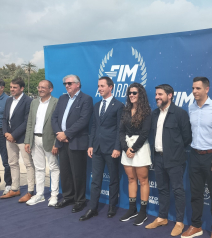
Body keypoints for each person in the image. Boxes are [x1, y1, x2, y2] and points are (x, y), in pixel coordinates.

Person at [145, 84, 191, 237]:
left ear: (170, 95)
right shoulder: (155, 114)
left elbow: (187, 138)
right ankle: (162, 217)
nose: (157, 97)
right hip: (158, 158)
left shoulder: (180, 113)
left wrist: (173, 151)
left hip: (175, 159)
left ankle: (179, 222)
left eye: (160, 94)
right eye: (156, 94)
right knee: (162, 189)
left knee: (178, 190)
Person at [182, 77, 212, 238]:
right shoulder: (191, 107)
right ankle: (196, 225)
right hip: (195, 155)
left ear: (207, 89)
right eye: (193, 88)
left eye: (198, 88)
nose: (194, 91)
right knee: (195, 193)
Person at [79, 77, 124, 221]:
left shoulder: (118, 106)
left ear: (111, 87)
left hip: (112, 149)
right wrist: (91, 145)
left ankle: (112, 206)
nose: (99, 88)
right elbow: (94, 126)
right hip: (97, 148)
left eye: (102, 86)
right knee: (95, 180)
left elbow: (119, 130)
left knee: (113, 179)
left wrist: (117, 147)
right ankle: (93, 208)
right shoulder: (97, 105)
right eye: (98, 86)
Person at [51, 74, 93, 213]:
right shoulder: (62, 98)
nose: (67, 86)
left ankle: (79, 200)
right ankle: (68, 197)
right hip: (62, 141)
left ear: (78, 84)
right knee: (65, 172)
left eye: (69, 83)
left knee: (78, 173)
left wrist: (67, 134)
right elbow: (55, 117)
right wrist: (59, 134)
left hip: (77, 142)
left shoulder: (86, 99)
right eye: (65, 84)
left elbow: (83, 120)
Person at [118, 83, 152, 226]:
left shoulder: (146, 112)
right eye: (129, 93)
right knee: (131, 178)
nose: (131, 95)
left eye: (134, 93)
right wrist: (126, 148)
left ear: (140, 95)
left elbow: (145, 133)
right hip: (127, 148)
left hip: (141, 147)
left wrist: (133, 149)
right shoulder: (125, 110)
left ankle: (142, 212)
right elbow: (120, 131)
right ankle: (132, 209)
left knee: (143, 180)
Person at [23, 80, 60, 206]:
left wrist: (56, 143)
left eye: (43, 87)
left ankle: (54, 195)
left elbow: (59, 124)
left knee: (54, 168)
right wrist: (27, 140)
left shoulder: (56, 102)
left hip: (49, 140)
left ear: (50, 89)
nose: (40, 89)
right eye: (39, 87)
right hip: (35, 140)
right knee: (39, 168)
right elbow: (30, 122)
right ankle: (39, 195)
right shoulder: (34, 102)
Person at [0, 77, 34, 202]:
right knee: (12, 163)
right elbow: (4, 119)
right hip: (9, 138)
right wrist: (6, 133)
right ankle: (15, 189)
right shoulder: (9, 100)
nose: (12, 90)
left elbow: (27, 121)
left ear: (22, 88)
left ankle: (30, 191)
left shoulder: (28, 101)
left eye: (15, 87)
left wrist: (14, 135)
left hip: (22, 138)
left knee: (28, 164)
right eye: (11, 87)